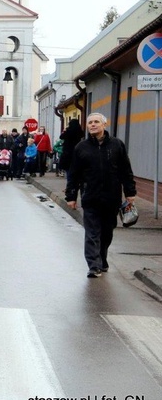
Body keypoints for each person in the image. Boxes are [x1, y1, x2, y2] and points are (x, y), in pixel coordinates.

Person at [65, 112, 136, 278]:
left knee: (107, 231)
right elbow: (73, 174)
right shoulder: (81, 147)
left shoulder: (116, 145)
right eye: (90, 122)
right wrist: (71, 196)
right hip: (90, 196)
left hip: (112, 197)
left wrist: (130, 192)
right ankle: (93, 265)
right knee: (92, 232)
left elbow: (126, 170)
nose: (93, 125)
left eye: (96, 122)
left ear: (104, 124)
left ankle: (102, 258)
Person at [59, 118, 84, 185]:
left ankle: (69, 186)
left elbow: (61, 137)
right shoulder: (79, 131)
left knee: (68, 171)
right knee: (75, 170)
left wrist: (64, 131)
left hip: (68, 153)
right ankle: (75, 184)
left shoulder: (68, 131)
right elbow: (82, 135)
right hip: (77, 152)